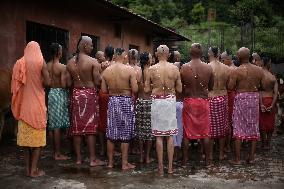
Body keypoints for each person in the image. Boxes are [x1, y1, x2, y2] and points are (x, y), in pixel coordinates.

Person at [11, 41, 51, 177]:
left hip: (23, 109)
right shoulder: (41, 61)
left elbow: (15, 87)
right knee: (38, 143)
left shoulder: (19, 63)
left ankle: (27, 170)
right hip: (37, 107)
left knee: (26, 144)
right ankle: (34, 170)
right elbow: (48, 82)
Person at [67, 36, 104, 166]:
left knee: (76, 128)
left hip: (76, 94)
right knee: (90, 128)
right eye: (91, 45)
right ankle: (92, 159)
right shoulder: (93, 61)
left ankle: (78, 159)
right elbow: (98, 81)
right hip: (89, 95)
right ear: (84, 46)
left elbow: (68, 82)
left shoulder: (70, 62)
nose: (92, 48)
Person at [145, 45, 182, 174]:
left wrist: (154, 84)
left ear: (156, 54)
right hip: (170, 101)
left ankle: (160, 168)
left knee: (159, 136)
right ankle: (170, 168)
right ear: (169, 54)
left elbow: (146, 89)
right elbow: (179, 89)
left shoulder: (151, 69)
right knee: (170, 135)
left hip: (157, 101)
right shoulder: (175, 69)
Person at [101, 48, 138, 170]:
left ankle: (110, 163)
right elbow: (135, 89)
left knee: (111, 133)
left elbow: (104, 90)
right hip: (126, 100)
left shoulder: (106, 71)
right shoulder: (129, 70)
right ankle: (124, 163)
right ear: (123, 55)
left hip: (113, 101)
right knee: (125, 133)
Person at [228, 47, 264, 165]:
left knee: (238, 127)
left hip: (241, 99)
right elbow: (262, 86)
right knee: (254, 127)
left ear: (238, 57)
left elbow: (230, 87)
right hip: (254, 99)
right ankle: (251, 157)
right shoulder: (259, 70)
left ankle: (238, 159)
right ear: (249, 57)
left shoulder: (236, 71)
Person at [181, 43, 214, 167]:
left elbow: (181, 86)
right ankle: (207, 162)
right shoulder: (208, 68)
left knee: (186, 133)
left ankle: (184, 161)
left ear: (190, 53)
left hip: (189, 101)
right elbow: (211, 87)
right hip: (203, 102)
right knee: (205, 132)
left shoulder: (184, 67)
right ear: (202, 54)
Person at [47, 43, 70, 160]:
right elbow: (64, 84)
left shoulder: (47, 65)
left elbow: (45, 82)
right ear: (58, 52)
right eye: (61, 50)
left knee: (52, 124)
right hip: (60, 94)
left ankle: (53, 152)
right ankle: (57, 154)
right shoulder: (62, 67)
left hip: (51, 93)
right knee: (57, 126)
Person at [208, 47, 230, 161]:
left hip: (211, 97)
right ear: (219, 54)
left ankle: (210, 155)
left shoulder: (207, 67)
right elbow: (229, 86)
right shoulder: (226, 68)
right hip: (222, 97)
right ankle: (221, 154)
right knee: (222, 127)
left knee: (210, 127)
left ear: (210, 54)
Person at [135, 52, 154, 163]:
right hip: (149, 103)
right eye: (151, 58)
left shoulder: (137, 71)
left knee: (140, 131)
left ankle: (141, 156)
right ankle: (147, 157)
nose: (152, 60)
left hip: (139, 102)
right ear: (147, 60)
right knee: (149, 132)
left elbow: (136, 89)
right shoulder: (151, 71)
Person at [98, 45, 115, 156]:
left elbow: (98, 79)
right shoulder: (115, 66)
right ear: (114, 55)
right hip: (112, 94)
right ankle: (112, 149)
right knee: (112, 121)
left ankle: (102, 149)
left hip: (101, 94)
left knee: (101, 121)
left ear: (105, 54)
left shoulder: (101, 66)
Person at [259, 56, 278, 149]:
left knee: (262, 123)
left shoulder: (259, 74)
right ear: (269, 63)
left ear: (263, 62)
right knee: (270, 122)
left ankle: (263, 143)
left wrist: (261, 104)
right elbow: (275, 93)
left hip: (262, 99)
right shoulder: (273, 77)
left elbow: (258, 91)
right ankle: (268, 143)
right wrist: (272, 105)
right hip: (270, 99)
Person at [221, 50, 236, 152]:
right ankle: (229, 145)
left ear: (228, 59)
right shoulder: (235, 69)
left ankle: (228, 146)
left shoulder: (230, 69)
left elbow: (230, 87)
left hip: (230, 95)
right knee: (231, 121)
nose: (221, 62)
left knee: (228, 121)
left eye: (222, 59)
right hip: (233, 95)